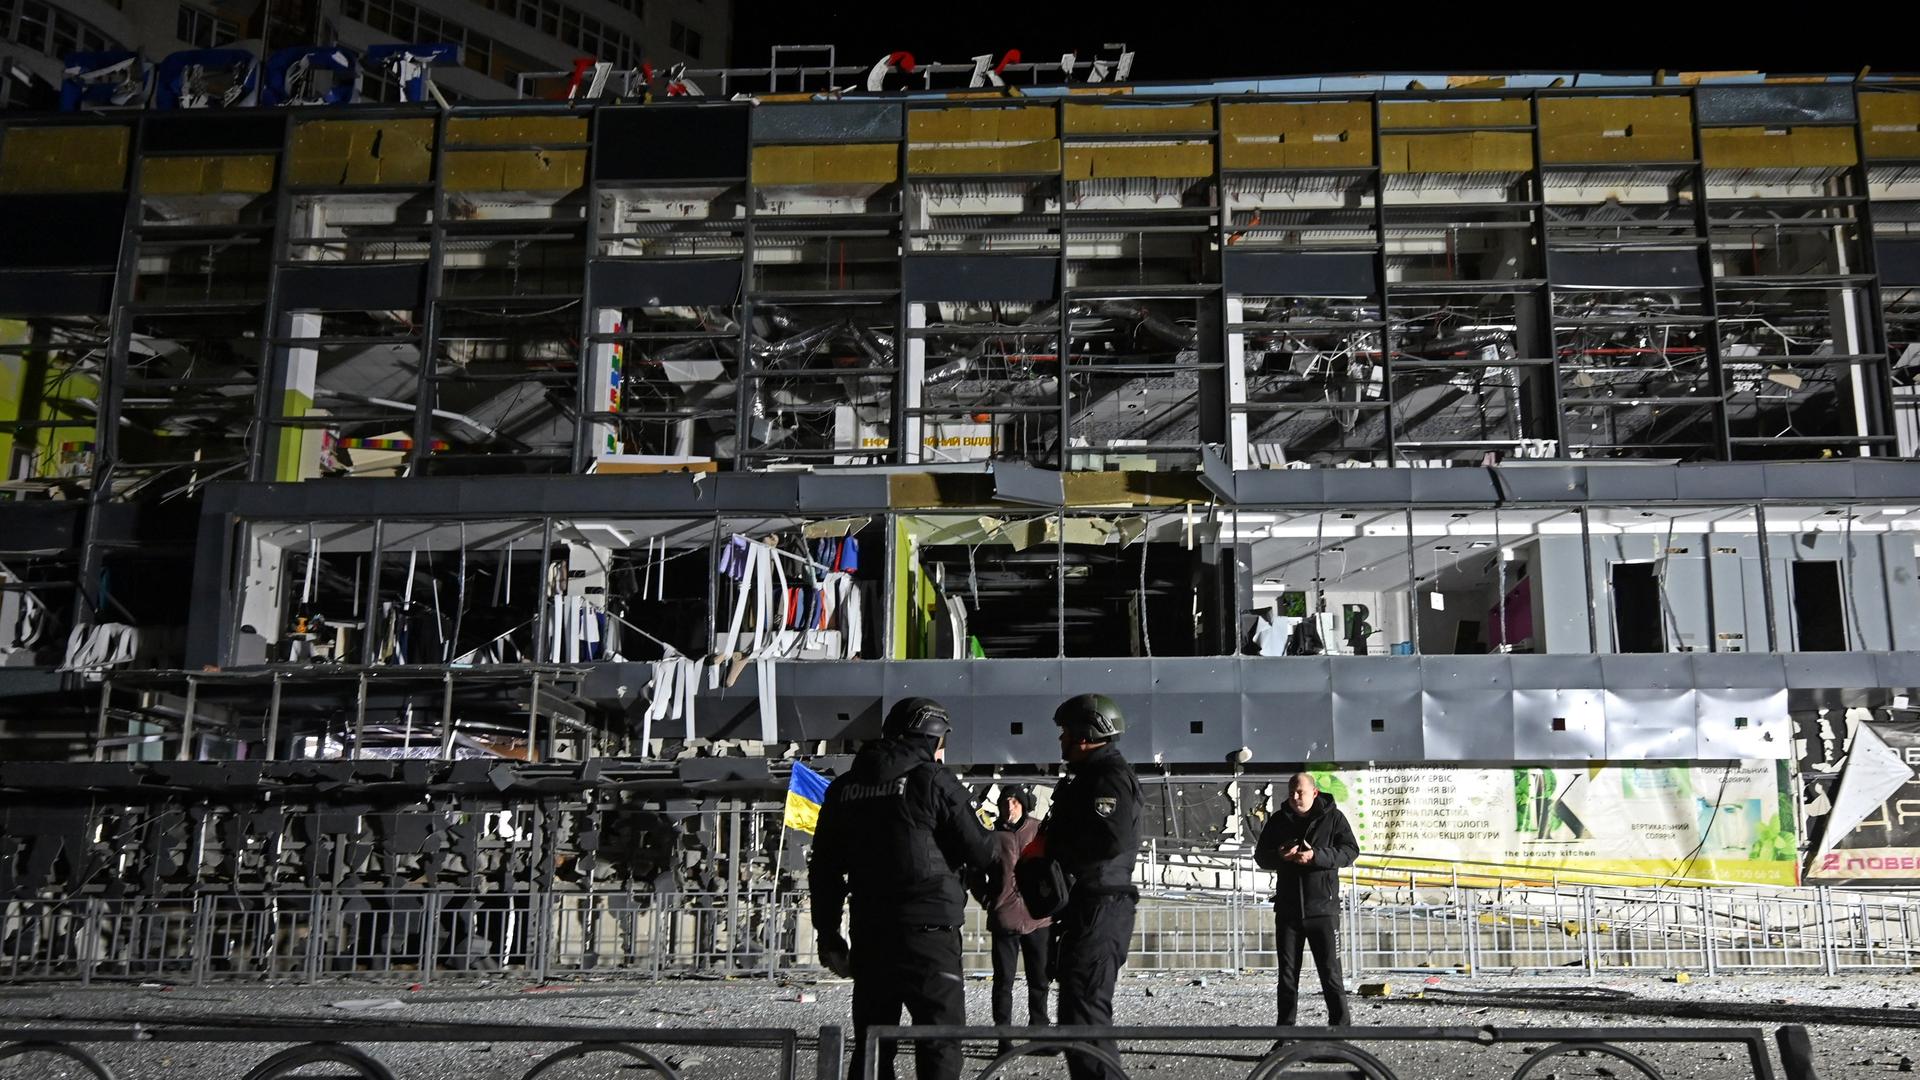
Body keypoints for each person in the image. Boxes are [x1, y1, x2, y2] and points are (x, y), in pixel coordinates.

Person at [809, 696, 996, 1080]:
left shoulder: (844, 788)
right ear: (933, 737)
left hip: (871, 933)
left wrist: (828, 935)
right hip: (930, 935)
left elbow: (825, 870)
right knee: (940, 1042)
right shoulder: (933, 779)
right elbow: (981, 851)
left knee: (873, 1044)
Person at [1036, 693, 1142, 1080]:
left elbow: (1108, 839)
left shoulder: (1107, 778)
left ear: (1086, 735)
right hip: (1089, 907)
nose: (1061, 741)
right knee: (1077, 1015)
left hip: (1102, 906)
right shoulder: (1090, 777)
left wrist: (1057, 852)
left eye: (1066, 733)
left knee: (1085, 1016)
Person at [1254, 773, 1360, 1029]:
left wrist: (1316, 857)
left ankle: (1339, 1034)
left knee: (1330, 975)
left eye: (1300, 791)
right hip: (1289, 911)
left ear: (1314, 792)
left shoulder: (1333, 818)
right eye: (1291, 792)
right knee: (1287, 978)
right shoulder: (1279, 820)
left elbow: (1350, 852)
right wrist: (1280, 856)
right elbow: (1261, 857)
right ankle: (1284, 1035)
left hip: (1323, 909)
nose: (1295, 796)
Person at [985, 785, 1050, 1053]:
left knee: (1040, 981)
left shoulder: (1038, 831)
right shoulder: (992, 836)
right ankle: (1004, 1038)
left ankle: (1040, 1035)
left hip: (1038, 917)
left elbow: (1054, 867)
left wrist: (1051, 900)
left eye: (1014, 802)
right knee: (1003, 982)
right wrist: (988, 900)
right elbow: (978, 870)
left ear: (1024, 805)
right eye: (1005, 802)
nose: (1009, 807)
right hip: (1005, 918)